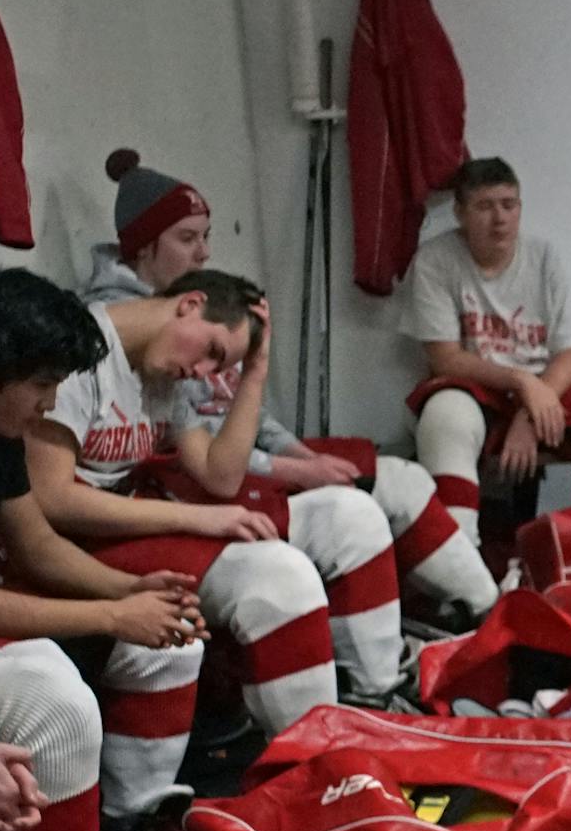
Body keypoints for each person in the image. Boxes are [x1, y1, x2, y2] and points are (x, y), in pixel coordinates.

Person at [0, 269, 210, 831]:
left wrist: (128, 595)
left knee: (84, 680)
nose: (46, 407)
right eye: (38, 385)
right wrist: (111, 621)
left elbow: (32, 542)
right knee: (48, 697)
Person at [88, 150, 496, 623]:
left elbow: (247, 417)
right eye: (186, 238)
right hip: (180, 489)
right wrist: (293, 471)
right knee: (344, 525)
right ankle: (472, 621)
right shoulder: (135, 332)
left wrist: (305, 458)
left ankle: (473, 611)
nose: (203, 251)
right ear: (143, 245)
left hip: (225, 471)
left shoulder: (207, 309)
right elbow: (193, 458)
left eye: (206, 237)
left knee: (401, 479)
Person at [27, 272, 359, 733]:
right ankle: (311, 759)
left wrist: (255, 372)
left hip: (113, 526)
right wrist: (201, 519)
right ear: (190, 303)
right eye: (213, 352)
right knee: (279, 578)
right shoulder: (81, 351)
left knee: (292, 561)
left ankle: (319, 745)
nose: (204, 372)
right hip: (50, 544)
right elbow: (52, 498)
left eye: (219, 366)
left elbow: (221, 477)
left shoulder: (164, 371)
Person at [402, 158, 571, 540]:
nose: (500, 218)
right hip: (476, 388)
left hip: (545, 387)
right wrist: (521, 382)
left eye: (509, 205)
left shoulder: (545, 257)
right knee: (444, 419)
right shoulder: (436, 260)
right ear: (459, 212)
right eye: (485, 206)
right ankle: (462, 562)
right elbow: (445, 358)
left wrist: (529, 409)